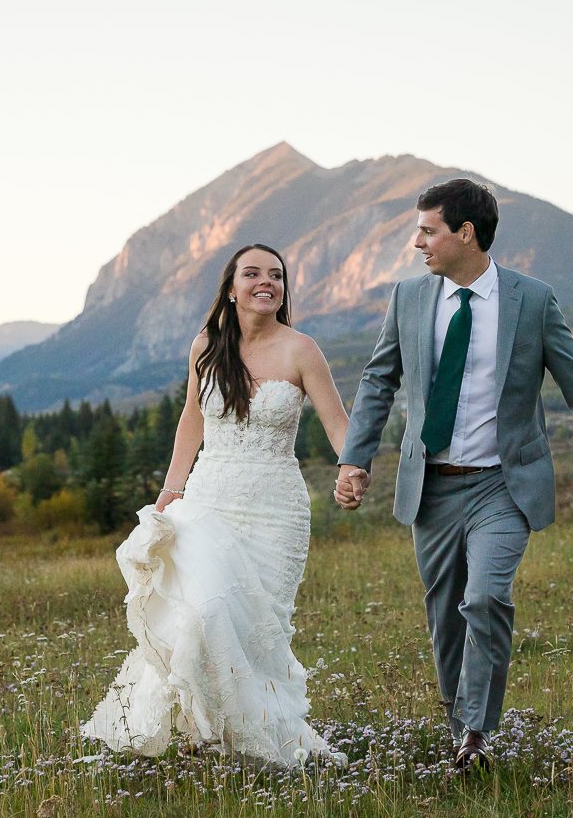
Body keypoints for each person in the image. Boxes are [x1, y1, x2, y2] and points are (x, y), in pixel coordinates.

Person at [334, 179, 573, 771]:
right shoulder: (409, 298)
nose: (416, 242)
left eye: (427, 230)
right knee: (446, 614)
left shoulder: (532, 299)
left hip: (503, 483)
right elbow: (378, 382)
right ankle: (459, 724)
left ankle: (475, 732)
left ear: (464, 234)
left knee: (486, 597)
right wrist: (355, 458)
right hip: (432, 486)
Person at [81, 244, 351, 766]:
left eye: (275, 275)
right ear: (231, 288)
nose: (265, 282)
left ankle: (252, 740)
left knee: (255, 631)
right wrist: (170, 490)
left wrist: (352, 469)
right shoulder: (205, 346)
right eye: (252, 273)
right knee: (202, 612)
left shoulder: (302, 350)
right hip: (207, 501)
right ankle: (196, 727)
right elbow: (191, 419)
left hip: (276, 511)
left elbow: (339, 423)